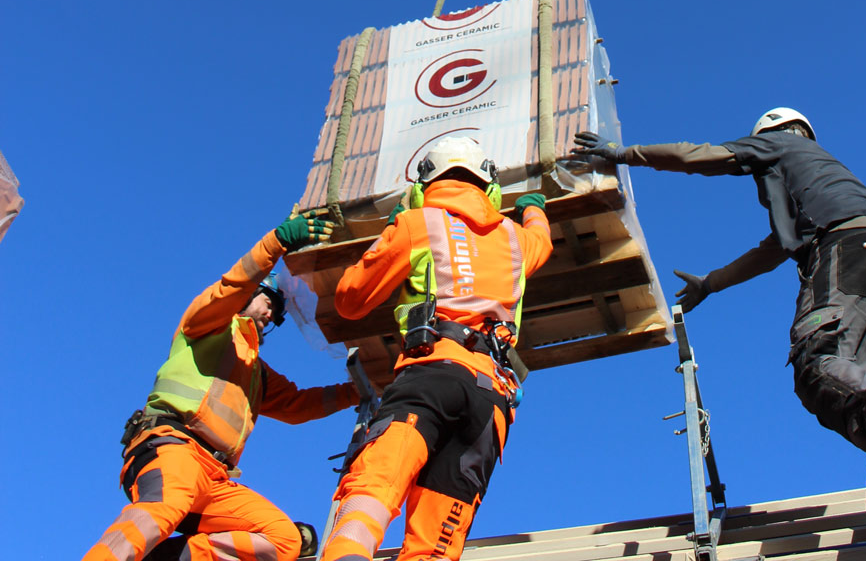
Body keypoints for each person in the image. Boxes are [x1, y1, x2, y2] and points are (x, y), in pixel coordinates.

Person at [569, 108, 866, 541]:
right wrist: (712, 283)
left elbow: (697, 156)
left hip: (851, 250)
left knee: (819, 363)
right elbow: (775, 247)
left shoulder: (780, 144)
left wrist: (622, 153)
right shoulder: (819, 182)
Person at [321, 136, 553, 561]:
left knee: (377, 480)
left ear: (422, 185)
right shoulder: (517, 238)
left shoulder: (418, 223)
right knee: (436, 541)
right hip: (492, 398)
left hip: (432, 375)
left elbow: (349, 300)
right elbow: (543, 240)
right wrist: (534, 208)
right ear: (491, 189)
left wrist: (394, 228)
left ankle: (346, 553)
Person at [85, 210, 362, 561]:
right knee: (160, 510)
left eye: (276, 314)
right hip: (174, 447)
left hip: (215, 478)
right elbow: (233, 286)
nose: (270, 315)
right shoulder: (209, 325)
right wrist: (275, 243)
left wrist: (357, 391)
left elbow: (298, 405)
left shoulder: (255, 370)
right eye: (269, 302)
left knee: (284, 540)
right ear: (251, 296)